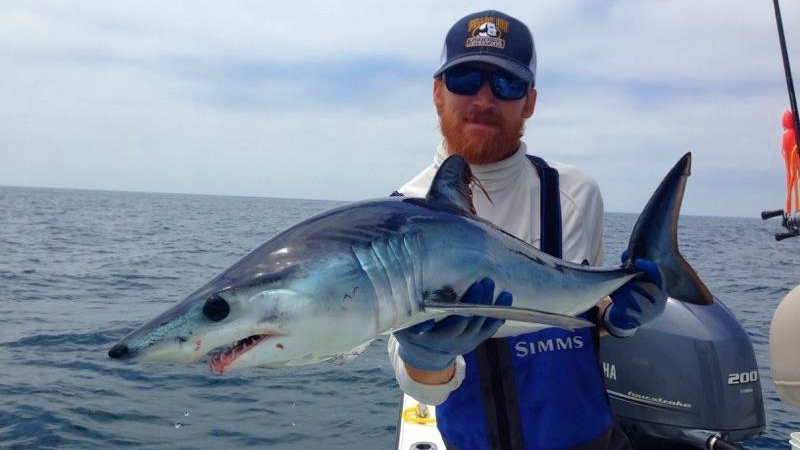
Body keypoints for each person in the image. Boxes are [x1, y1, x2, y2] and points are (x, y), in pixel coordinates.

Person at [387, 10, 668, 450]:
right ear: (437, 92)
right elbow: (422, 389)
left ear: (530, 102)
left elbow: (585, 307)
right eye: (465, 79)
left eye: (506, 84)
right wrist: (427, 359)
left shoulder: (574, 194)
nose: (484, 98)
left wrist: (619, 319)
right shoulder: (401, 213)